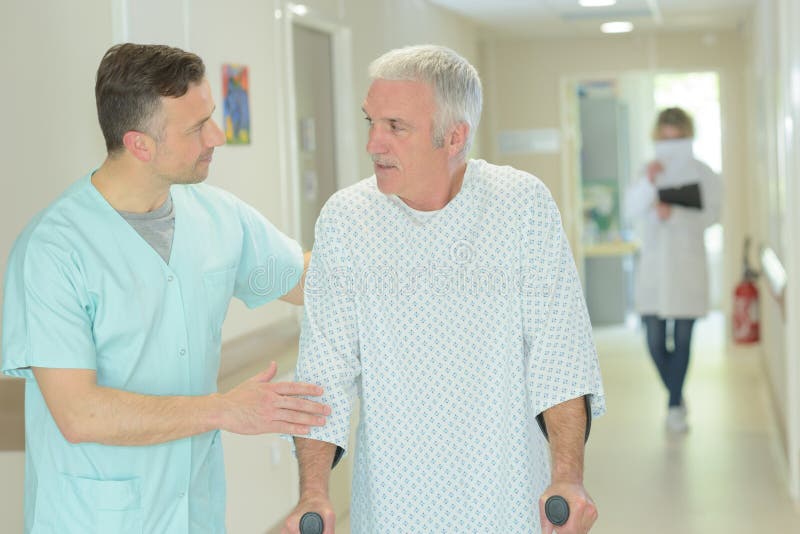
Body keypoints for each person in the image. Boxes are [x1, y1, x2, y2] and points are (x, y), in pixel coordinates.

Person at [1, 43, 331, 533]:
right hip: (93, 519)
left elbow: (307, 279)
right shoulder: (54, 248)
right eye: (197, 128)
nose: (216, 137)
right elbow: (79, 413)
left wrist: (414, 262)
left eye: (211, 118)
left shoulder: (217, 216)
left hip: (193, 512)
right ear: (140, 145)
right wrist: (223, 409)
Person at [282, 45, 605, 534]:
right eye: (371, 121)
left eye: (396, 127)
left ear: (454, 137)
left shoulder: (520, 205)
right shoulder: (347, 220)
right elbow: (324, 370)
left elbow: (558, 357)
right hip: (393, 505)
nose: (374, 143)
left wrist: (568, 478)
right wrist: (312, 490)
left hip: (510, 500)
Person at [624, 107, 722, 434]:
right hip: (653, 269)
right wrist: (648, 183)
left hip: (686, 267)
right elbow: (631, 211)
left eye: (677, 137)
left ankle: (674, 404)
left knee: (682, 340)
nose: (671, 144)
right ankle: (676, 392)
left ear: (689, 137)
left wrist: (674, 216)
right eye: (665, 138)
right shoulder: (646, 171)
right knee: (653, 342)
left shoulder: (704, 173)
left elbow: (713, 216)